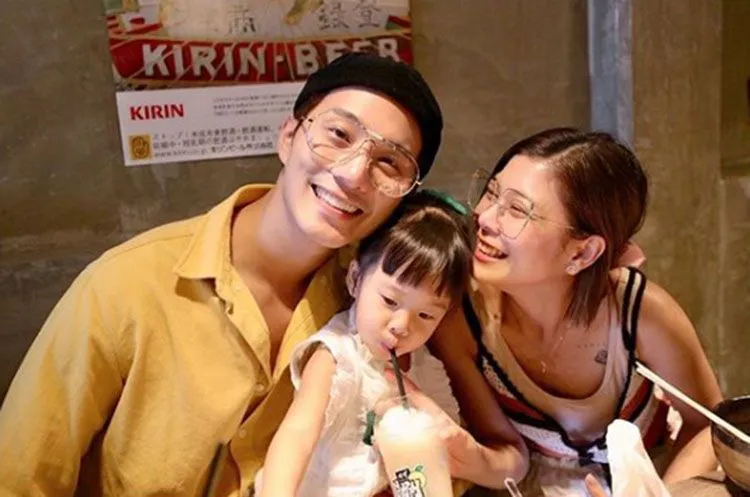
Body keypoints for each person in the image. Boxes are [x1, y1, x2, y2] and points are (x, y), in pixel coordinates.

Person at [0, 52, 444, 497]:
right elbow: (19, 477)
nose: (353, 174)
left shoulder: (373, 302)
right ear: (289, 136)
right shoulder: (126, 285)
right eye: (339, 134)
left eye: (389, 162)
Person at [429, 128, 723, 496]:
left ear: (582, 253)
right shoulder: (461, 319)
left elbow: (708, 423)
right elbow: (501, 450)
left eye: (517, 209)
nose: (484, 217)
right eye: (491, 192)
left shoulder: (640, 313)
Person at [256, 190, 473, 497]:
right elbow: (297, 433)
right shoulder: (337, 355)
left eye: (425, 315)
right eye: (390, 300)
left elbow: (446, 447)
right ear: (355, 278)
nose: (402, 326)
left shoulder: (427, 367)